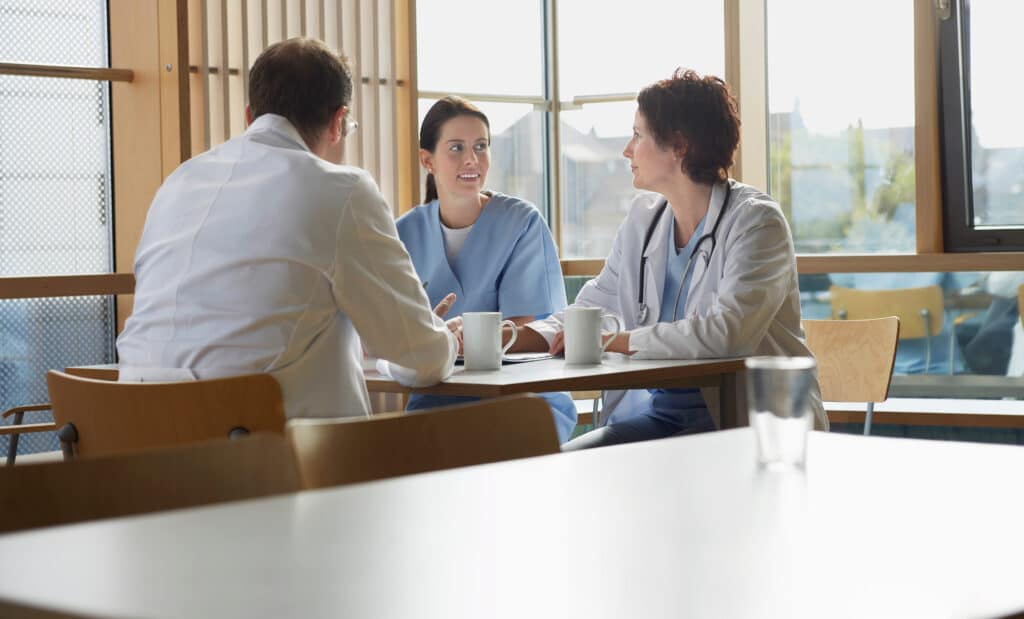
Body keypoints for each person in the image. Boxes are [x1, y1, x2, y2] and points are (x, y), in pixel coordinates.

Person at [117, 38, 457, 418]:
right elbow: (420, 356)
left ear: (249, 115)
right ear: (338, 122)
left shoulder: (179, 182)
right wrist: (444, 340)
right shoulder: (341, 190)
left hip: (137, 443)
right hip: (264, 457)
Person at [511, 69, 828, 449]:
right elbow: (591, 308)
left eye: (638, 135)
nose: (627, 150)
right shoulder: (642, 220)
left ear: (678, 145)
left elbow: (728, 333)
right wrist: (508, 340)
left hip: (743, 425)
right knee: (561, 464)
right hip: (658, 418)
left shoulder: (756, 221)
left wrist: (618, 341)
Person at [396, 97, 576, 441]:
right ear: (427, 159)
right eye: (456, 148)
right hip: (437, 401)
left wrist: (457, 338)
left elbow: (532, 328)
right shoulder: (404, 233)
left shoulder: (522, 223)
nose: (471, 159)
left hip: (521, 400)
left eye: (481, 146)